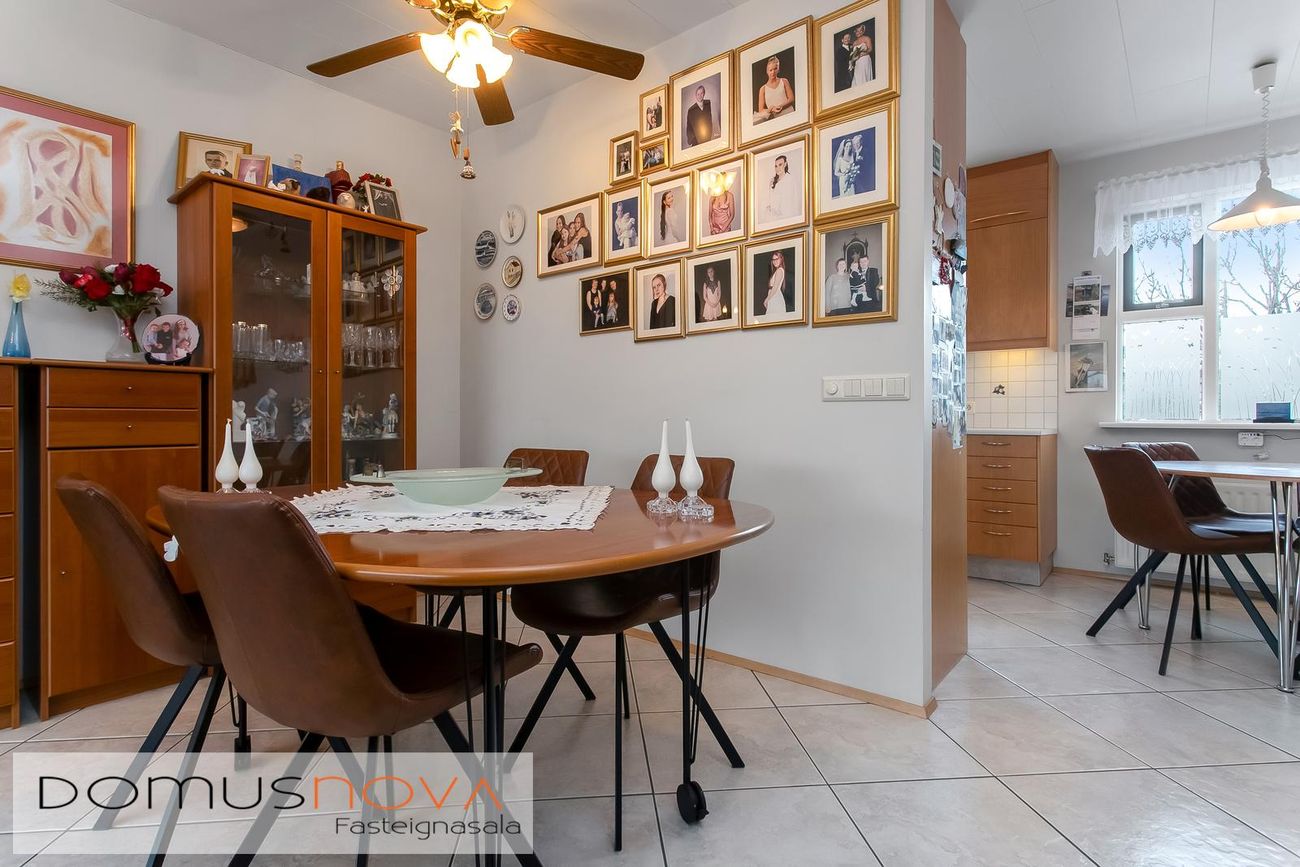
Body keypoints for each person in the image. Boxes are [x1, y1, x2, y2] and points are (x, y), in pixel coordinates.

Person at [754, 55, 795, 123]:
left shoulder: (784, 81)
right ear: (767, 71)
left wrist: (780, 106)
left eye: (775, 69)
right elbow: (761, 110)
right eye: (770, 70)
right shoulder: (763, 89)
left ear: (778, 69)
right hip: (775, 120)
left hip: (790, 115)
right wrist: (771, 109)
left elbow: (791, 99)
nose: (773, 72)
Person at [762, 154, 800, 222]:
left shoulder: (790, 179)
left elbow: (791, 201)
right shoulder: (772, 181)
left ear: (785, 164)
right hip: (772, 218)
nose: (777, 168)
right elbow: (767, 199)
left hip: (785, 217)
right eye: (776, 166)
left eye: (780, 165)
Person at [763, 251, 791, 316]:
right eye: (773, 259)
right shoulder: (778, 270)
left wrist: (767, 299)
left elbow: (775, 287)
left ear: (781, 259)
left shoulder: (779, 270)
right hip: (773, 297)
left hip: (775, 297)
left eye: (776, 259)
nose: (774, 261)